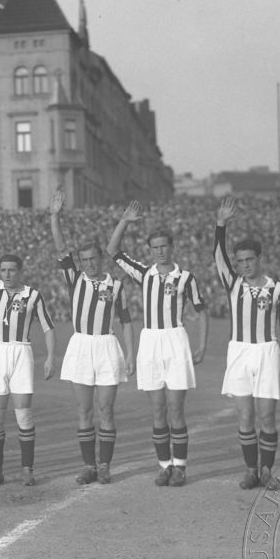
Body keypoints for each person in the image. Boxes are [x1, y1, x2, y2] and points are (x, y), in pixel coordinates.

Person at [107, 201, 208, 488]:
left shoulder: (186, 278)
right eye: (155, 248)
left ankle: (181, 467)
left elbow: (201, 311)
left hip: (175, 339)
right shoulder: (144, 273)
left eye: (163, 246)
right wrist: (125, 221)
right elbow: (112, 251)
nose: (159, 251)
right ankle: (164, 466)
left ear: (171, 247)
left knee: (176, 409)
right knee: (157, 411)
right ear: (150, 251)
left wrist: (201, 346)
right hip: (150, 341)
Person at [49, 190, 135, 485]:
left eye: (92, 258)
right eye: (83, 259)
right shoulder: (75, 279)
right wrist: (55, 216)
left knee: (105, 409)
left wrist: (131, 354)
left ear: (101, 259)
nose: (87, 263)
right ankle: (89, 465)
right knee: (84, 409)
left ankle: (105, 465)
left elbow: (125, 322)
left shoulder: (116, 285)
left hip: (107, 346)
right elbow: (60, 247)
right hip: (81, 344)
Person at [0, 215, 56, 487]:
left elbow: (48, 327)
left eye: (11, 271)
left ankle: (27, 470)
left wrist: (51, 356)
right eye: (3, 270)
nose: (6, 275)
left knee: (23, 413)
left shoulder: (32, 295)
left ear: (20, 272)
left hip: (21, 353)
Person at [214, 196, 280, 491]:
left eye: (249, 260)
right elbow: (219, 257)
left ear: (259, 259)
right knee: (245, 415)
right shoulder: (233, 283)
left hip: (267, 352)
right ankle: (250, 470)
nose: (245, 265)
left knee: (266, 416)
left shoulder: (277, 289)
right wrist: (221, 224)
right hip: (239, 351)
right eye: (240, 261)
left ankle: (266, 471)